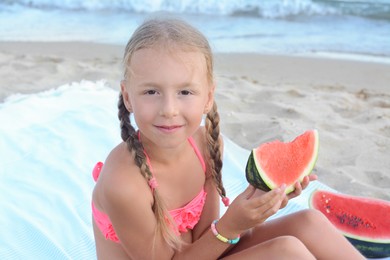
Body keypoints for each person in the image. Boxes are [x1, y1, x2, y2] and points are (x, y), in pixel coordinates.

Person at [91, 17, 364, 259]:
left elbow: (205, 239)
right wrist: (231, 226)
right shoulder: (123, 184)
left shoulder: (206, 145)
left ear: (208, 97)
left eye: (185, 92)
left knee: (309, 223)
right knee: (286, 252)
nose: (169, 109)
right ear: (127, 96)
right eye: (151, 92)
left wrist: (259, 199)